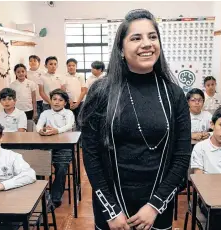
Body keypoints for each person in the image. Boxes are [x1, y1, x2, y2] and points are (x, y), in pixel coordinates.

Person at [79, 9, 191, 230]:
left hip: (157, 206)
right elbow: (91, 156)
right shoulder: (101, 92)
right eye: (136, 38)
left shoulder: (174, 94)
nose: (147, 43)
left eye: (152, 36)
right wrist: (112, 210)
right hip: (112, 208)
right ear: (121, 48)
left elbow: (181, 157)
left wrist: (155, 206)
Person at [36, 89, 75, 208]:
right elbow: (38, 126)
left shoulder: (68, 113)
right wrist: (41, 130)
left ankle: (55, 199)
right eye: (54, 99)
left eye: (60, 100)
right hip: (46, 146)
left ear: (65, 103)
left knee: (61, 169)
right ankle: (38, 196)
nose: (57, 102)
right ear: (50, 100)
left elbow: (69, 126)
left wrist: (56, 130)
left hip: (63, 146)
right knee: (36, 167)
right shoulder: (45, 113)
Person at [64, 58, 87, 129]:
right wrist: (69, 101)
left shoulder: (80, 76)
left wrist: (77, 103)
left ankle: (80, 138)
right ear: (67, 67)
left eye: (73, 65)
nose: (71, 67)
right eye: (69, 65)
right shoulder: (64, 77)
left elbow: (84, 90)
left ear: (76, 66)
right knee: (68, 121)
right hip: (68, 103)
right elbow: (63, 91)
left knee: (80, 121)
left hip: (80, 102)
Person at [27, 55, 45, 121]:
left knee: (44, 118)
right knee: (35, 119)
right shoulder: (26, 73)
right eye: (30, 61)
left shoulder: (43, 72)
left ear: (39, 63)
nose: (33, 62)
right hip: (31, 100)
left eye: (35, 61)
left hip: (42, 99)